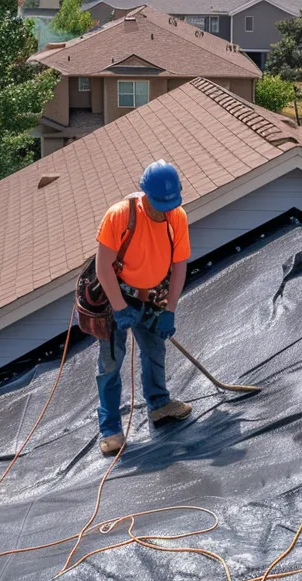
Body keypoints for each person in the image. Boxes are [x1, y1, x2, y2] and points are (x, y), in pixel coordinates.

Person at [90, 161, 194, 456]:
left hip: (150, 294)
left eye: (170, 204)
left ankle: (159, 404)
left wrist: (170, 309)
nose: (164, 210)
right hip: (115, 293)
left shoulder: (177, 217)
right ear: (145, 193)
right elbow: (103, 268)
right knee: (111, 361)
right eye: (159, 204)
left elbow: (179, 266)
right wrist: (120, 308)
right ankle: (110, 429)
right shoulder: (120, 216)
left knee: (155, 349)